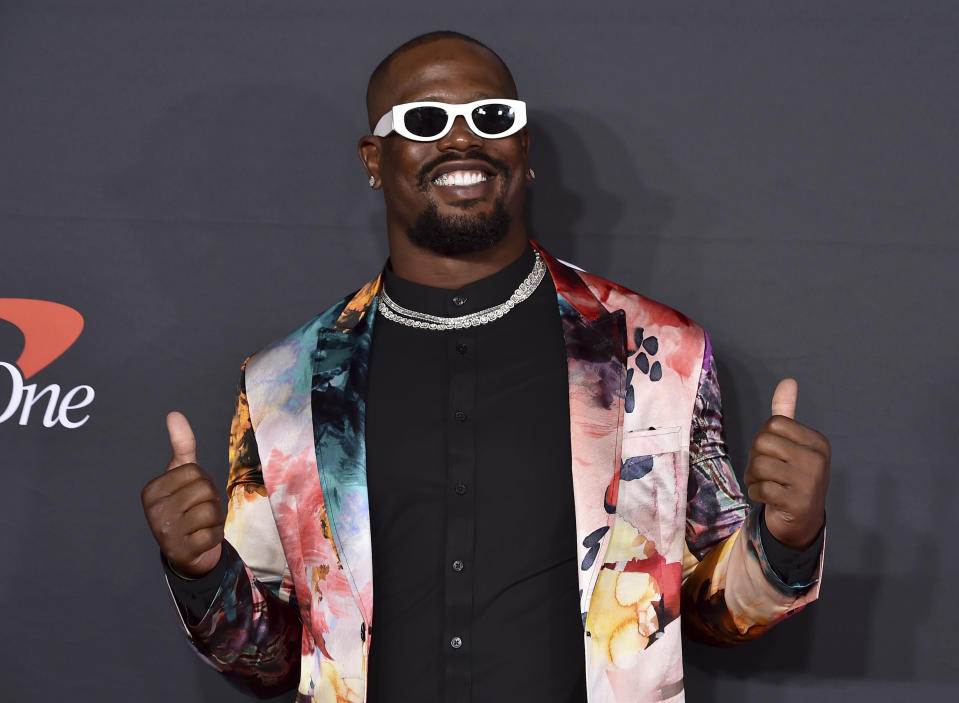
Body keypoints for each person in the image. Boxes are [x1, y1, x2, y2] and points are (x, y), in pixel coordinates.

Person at [141, 30, 829, 703]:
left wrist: (785, 539)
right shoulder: (282, 385)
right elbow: (270, 656)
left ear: (522, 148)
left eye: (490, 116)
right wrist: (201, 571)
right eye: (425, 118)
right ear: (373, 158)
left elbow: (709, 612)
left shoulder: (656, 352)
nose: (462, 138)